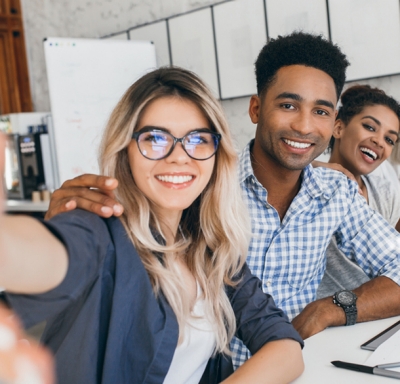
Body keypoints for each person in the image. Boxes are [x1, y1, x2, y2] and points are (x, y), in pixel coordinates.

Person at [45, 32, 400, 369]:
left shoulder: (335, 190)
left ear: (334, 122)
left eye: (321, 111)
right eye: (288, 105)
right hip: (208, 368)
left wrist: (330, 309)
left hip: (299, 366)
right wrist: (62, 237)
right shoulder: (201, 183)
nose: (305, 126)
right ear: (256, 109)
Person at [0, 67, 304, 383]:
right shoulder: (99, 231)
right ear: (125, 149)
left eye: (198, 139)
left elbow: (285, 348)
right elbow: (43, 253)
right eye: (156, 138)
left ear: (217, 153)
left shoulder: (209, 250)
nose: (178, 157)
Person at [316, 85, 400, 299]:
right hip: (325, 318)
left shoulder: (383, 192)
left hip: (378, 312)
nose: (379, 141)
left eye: (389, 139)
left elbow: (390, 257)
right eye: (370, 127)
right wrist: (310, 166)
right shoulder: (310, 185)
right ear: (338, 128)